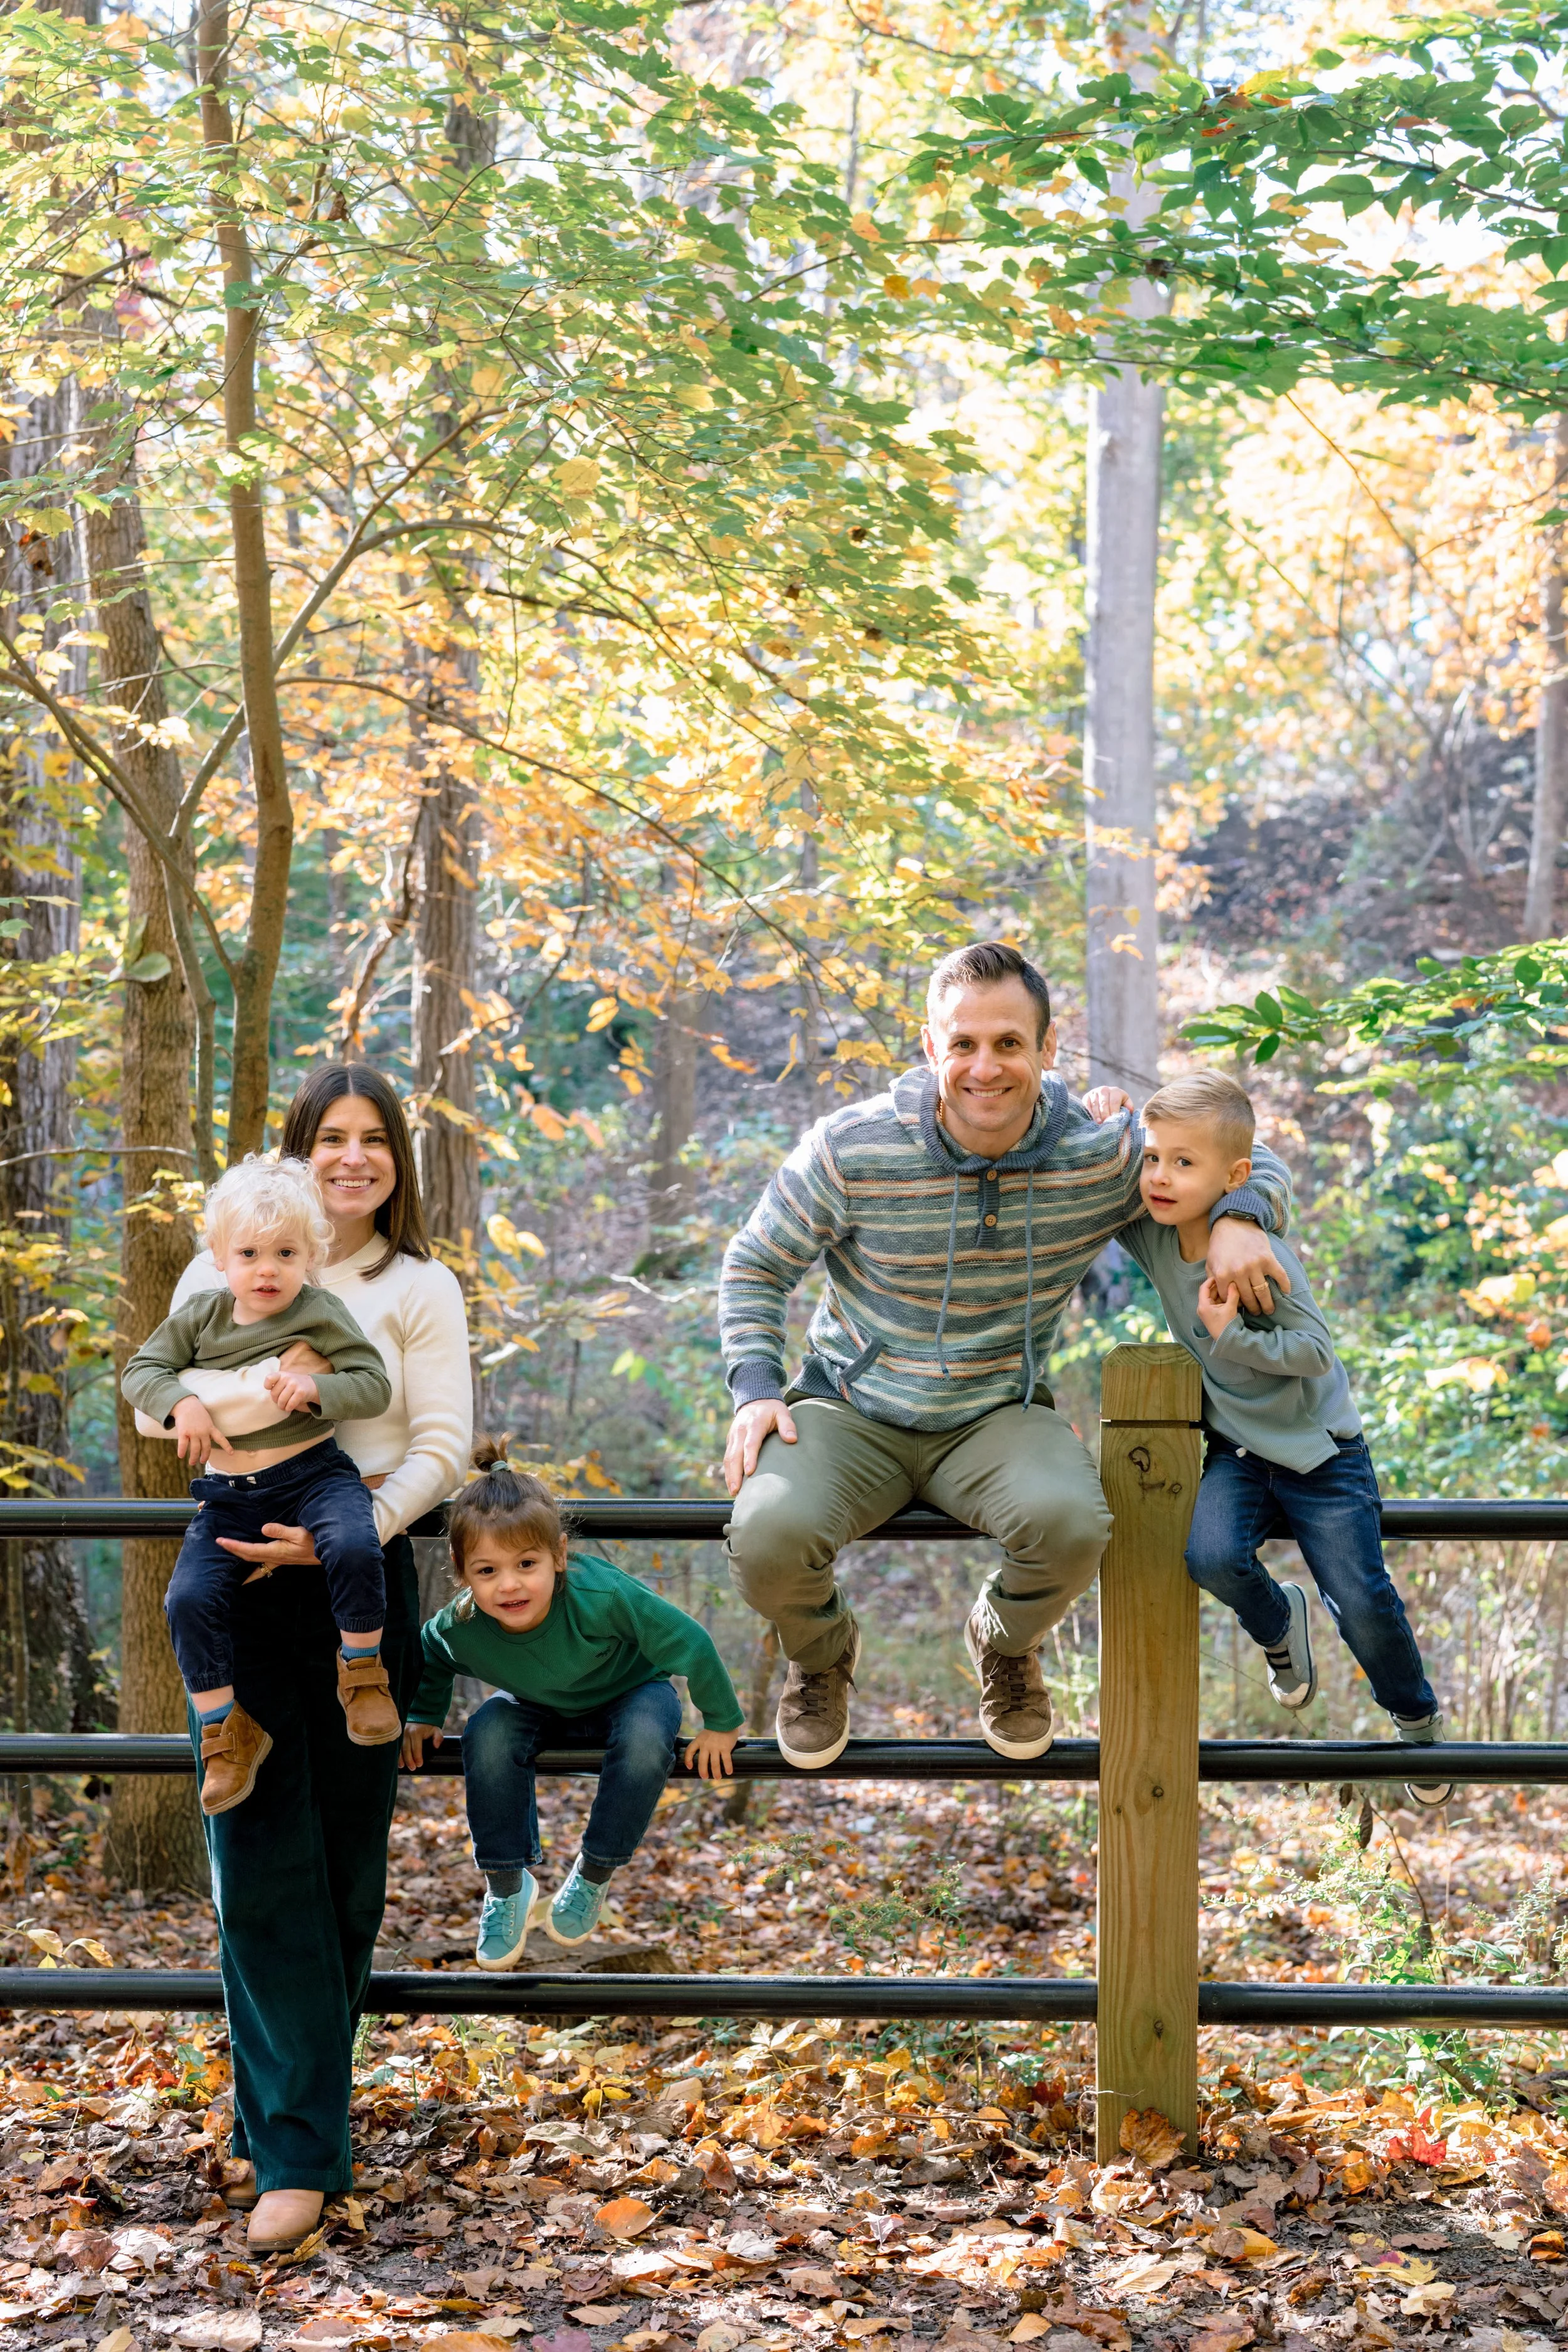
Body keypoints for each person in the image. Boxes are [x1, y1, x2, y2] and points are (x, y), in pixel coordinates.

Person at [719, 939, 1296, 1769]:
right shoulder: (853, 1147)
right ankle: (821, 1656)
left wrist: (1239, 1214)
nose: (984, 1066)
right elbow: (754, 1263)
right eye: (963, 1043)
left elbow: (1245, 1152)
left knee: (1072, 1523)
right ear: (932, 1048)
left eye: (1008, 1043)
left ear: (1048, 1049)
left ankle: (1004, 1641)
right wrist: (755, 1387)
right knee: (765, 1532)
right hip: (849, 1406)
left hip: (996, 1413)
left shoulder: (1099, 1149)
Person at [166, 1064, 472, 2255]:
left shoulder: (417, 1286)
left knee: (346, 1873)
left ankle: (289, 2116)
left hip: (355, 1585)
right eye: (330, 1138)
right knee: (257, 1858)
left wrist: (351, 1530)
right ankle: (297, 2152)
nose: (354, 1158)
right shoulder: (229, 1262)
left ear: (398, 1160)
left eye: (374, 1140)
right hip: (237, 1586)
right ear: (296, 1155)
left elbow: (441, 1444)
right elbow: (155, 1402)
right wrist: (235, 1397)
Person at [1099, 1069, 1449, 1806]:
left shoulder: (1262, 1255)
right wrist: (1101, 1114)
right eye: (1154, 1159)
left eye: (1182, 1163)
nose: (1159, 1177)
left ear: (1231, 1178)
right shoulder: (1151, 1230)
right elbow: (1098, 1163)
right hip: (1239, 1449)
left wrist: (1231, 1339)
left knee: (1359, 1598)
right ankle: (1275, 1622)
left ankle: (1416, 1722)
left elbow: (1315, 1353)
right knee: (1211, 1558)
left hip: (1321, 1453)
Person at [125, 1157, 400, 1811]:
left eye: (285, 1252)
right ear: (221, 1258)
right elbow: (142, 1370)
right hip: (229, 1495)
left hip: (315, 1477)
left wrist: (315, 1386)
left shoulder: (321, 1312)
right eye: (249, 1253)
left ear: (311, 1255)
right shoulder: (201, 1317)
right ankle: (225, 1731)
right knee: (187, 1600)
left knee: (356, 1544)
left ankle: (362, 1670)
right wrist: (182, 1403)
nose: (267, 1269)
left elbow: (373, 1386)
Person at [401, 1448, 743, 1967]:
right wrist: (425, 1715)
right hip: (535, 1704)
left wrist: (721, 1721)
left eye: (527, 1564)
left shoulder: (598, 1594)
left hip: (631, 1692)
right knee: (486, 1732)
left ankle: (594, 1872)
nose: (509, 1584)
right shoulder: (463, 1625)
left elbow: (688, 1640)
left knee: (647, 1741)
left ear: (559, 1555)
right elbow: (429, 1651)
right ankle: (506, 1885)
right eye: (487, 1570)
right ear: (462, 1571)